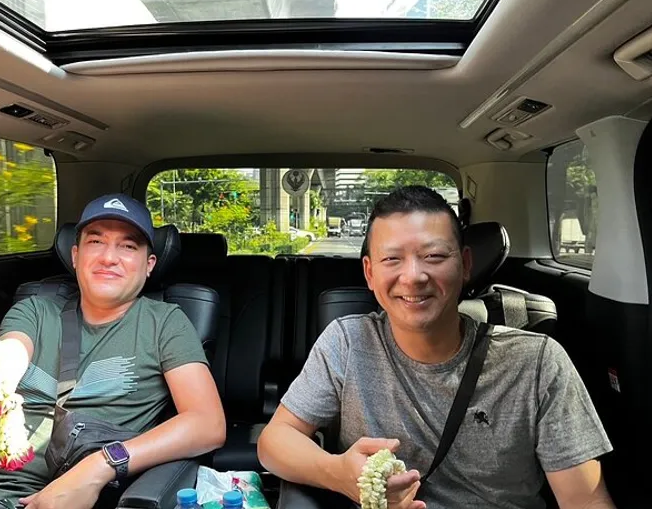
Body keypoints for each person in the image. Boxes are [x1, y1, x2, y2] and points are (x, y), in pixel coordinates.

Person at [257, 185, 615, 509]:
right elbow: (275, 440)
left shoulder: (536, 362)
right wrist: (339, 474)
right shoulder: (348, 342)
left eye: (434, 256)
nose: (414, 276)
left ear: (466, 265)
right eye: (392, 259)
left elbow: (585, 500)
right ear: (369, 273)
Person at [0, 194, 226, 509]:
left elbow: (207, 423)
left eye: (128, 246)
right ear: (75, 255)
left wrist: (102, 465)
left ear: (149, 264)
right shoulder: (34, 310)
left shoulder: (165, 321)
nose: (109, 257)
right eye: (95, 241)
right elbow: (6, 362)